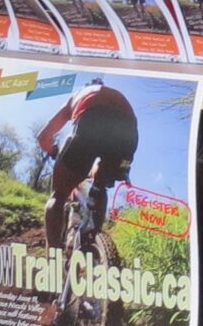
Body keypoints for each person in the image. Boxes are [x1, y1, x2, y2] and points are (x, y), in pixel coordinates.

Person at [38, 80, 138, 255]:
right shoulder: (114, 94)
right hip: (129, 133)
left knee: (59, 195)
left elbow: (43, 137)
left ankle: (52, 259)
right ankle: (94, 243)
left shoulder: (78, 95)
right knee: (100, 185)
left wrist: (53, 150)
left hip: (91, 119)